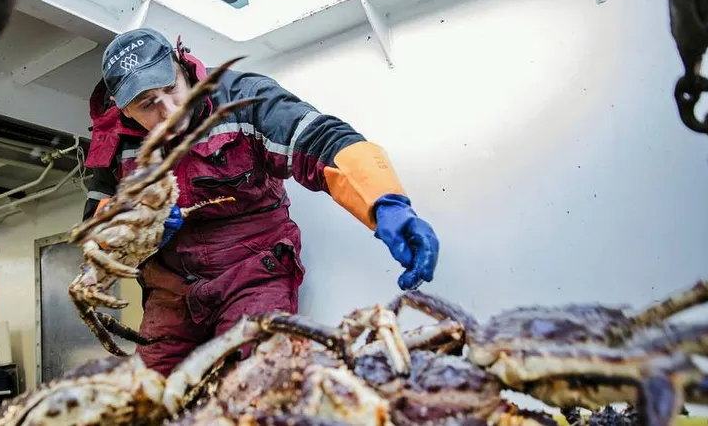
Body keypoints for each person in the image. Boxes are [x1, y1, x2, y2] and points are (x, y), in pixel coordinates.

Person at [82, 28, 440, 376]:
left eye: (171, 87)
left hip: (253, 271)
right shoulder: (112, 147)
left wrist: (385, 202)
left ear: (180, 63)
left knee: (258, 380)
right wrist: (138, 229)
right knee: (143, 394)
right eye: (148, 105)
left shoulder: (243, 98)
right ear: (123, 109)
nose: (170, 109)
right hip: (171, 289)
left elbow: (320, 139)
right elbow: (97, 234)